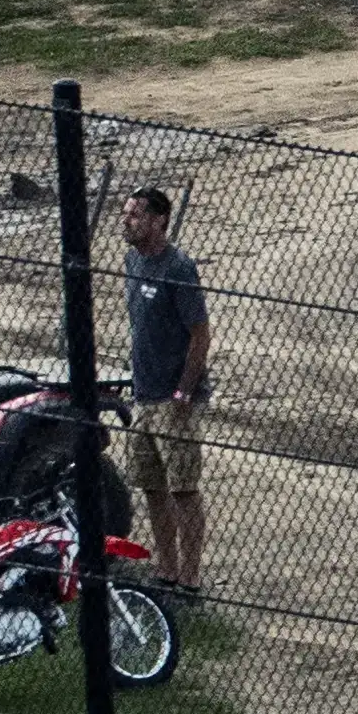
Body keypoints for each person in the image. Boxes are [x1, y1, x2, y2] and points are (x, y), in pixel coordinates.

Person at [118, 185, 213, 589]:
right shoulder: (131, 261)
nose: (126, 221)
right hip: (143, 394)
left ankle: (190, 577)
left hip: (175, 401)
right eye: (125, 213)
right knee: (152, 487)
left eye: (135, 215)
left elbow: (200, 335)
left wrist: (183, 393)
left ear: (159, 221)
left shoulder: (179, 269)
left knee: (183, 490)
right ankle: (166, 569)